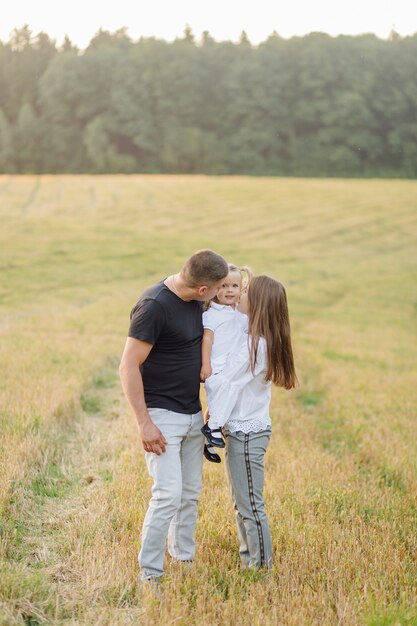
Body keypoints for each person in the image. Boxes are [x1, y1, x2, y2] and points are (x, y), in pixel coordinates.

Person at [119, 249, 229, 582]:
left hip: (193, 413)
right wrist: (144, 423)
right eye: (218, 288)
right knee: (167, 494)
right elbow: (127, 366)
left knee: (189, 493)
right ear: (202, 289)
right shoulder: (154, 306)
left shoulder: (198, 302)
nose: (221, 293)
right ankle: (149, 574)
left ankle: (183, 560)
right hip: (161, 415)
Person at [205, 275, 298, 570]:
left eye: (244, 291)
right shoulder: (252, 340)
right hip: (241, 429)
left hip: (247, 433)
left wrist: (212, 423)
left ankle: (260, 568)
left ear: (256, 304)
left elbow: (228, 385)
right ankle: (250, 561)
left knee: (251, 506)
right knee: (241, 503)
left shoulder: (255, 346)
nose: (238, 294)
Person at [200, 264, 252, 462]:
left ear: (241, 289)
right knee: (220, 398)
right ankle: (211, 428)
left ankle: (208, 440)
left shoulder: (240, 313)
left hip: (233, 366)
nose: (229, 290)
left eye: (234, 286)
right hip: (217, 365)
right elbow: (207, 340)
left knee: (220, 403)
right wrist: (206, 365)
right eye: (224, 286)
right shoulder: (212, 314)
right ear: (215, 289)